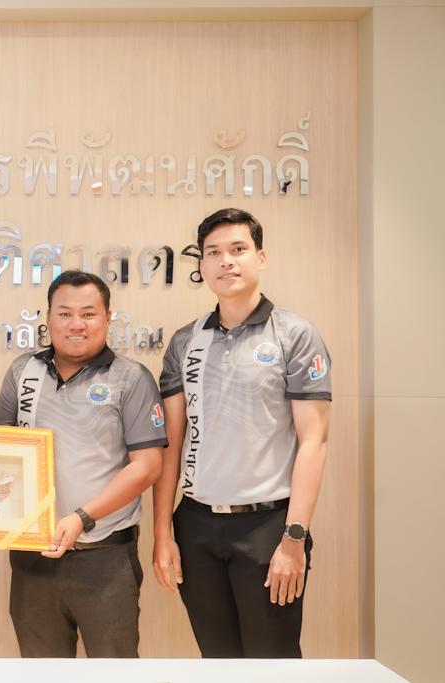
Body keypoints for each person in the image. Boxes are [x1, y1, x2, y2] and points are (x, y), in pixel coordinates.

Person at [152, 208, 332, 658]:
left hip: (268, 527)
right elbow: (171, 445)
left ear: (260, 257)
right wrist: (162, 533)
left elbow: (314, 440)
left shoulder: (295, 334)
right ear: (202, 265)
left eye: (238, 249)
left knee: (272, 662)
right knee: (217, 661)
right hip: (196, 526)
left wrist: (294, 537)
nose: (225, 261)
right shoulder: (184, 341)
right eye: (213, 252)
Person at [0, 270, 166, 657]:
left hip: (105, 559)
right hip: (33, 558)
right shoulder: (23, 371)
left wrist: (82, 517)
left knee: (114, 674)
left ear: (107, 318)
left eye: (88, 314)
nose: (76, 324)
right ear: (48, 318)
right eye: (65, 313)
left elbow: (148, 466)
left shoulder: (130, 378)